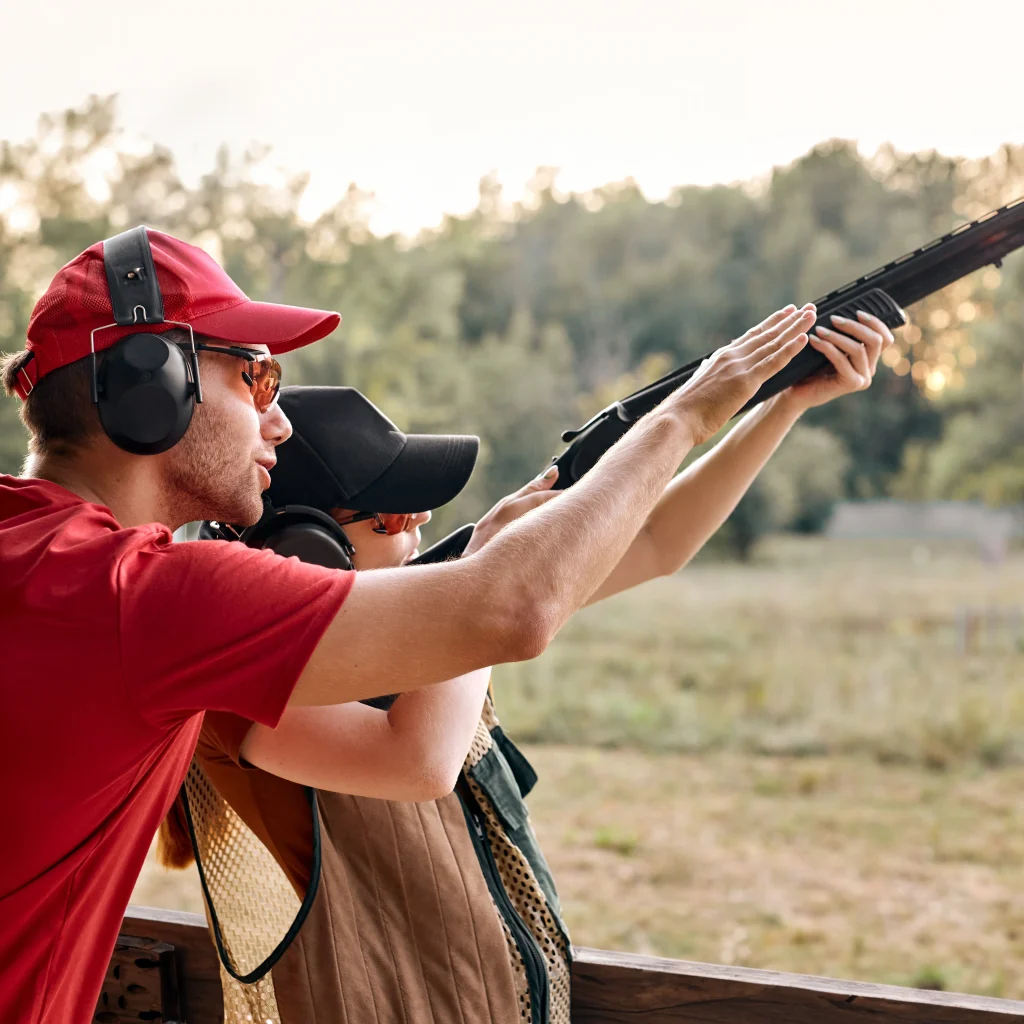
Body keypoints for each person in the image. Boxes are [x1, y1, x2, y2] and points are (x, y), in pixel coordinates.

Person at [0, 222, 821, 1024]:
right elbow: (509, 613)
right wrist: (682, 416)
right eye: (255, 378)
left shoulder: (43, 557)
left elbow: (627, 552)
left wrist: (778, 401)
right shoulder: (143, 597)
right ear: (154, 384)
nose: (275, 420)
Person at [160, 296, 895, 1024]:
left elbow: (655, 543)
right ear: (306, 547)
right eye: (390, 512)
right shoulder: (238, 684)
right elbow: (417, 760)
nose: (418, 526)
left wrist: (784, 405)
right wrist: (487, 577)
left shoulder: (412, 615)